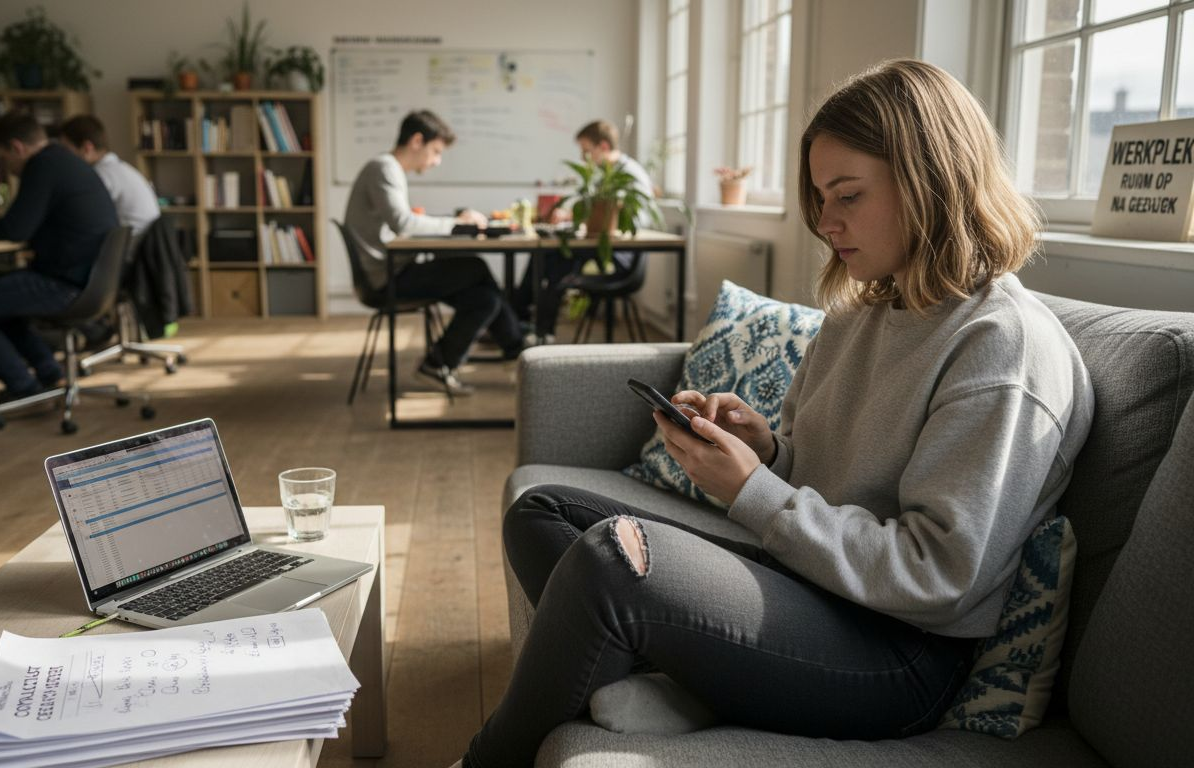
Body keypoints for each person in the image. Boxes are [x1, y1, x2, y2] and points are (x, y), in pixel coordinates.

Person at [455, 59, 1095, 768]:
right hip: (810, 586)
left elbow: (938, 576)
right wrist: (766, 452)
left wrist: (752, 489)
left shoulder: (1002, 347)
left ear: (932, 184)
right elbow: (828, 479)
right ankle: (694, 681)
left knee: (612, 561)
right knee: (542, 512)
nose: (825, 222)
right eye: (820, 197)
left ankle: (489, 761)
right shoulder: (861, 311)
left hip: (902, 655)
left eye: (848, 195)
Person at [344, 109, 525, 396]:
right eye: (436, 151)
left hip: (393, 270)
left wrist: (453, 221)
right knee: (475, 267)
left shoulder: (389, 169)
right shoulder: (384, 168)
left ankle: (438, 364)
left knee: (486, 299)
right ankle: (517, 347)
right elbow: (404, 223)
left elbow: (405, 222)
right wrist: (457, 224)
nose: (437, 160)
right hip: (385, 278)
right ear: (417, 141)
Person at [0, 111, 117, 401]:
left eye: (4, 158)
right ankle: (50, 373)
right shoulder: (62, 160)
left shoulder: (42, 166)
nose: (6, 167)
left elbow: (16, 230)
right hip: (90, 281)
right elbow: (26, 221)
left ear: (16, 147)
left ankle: (23, 387)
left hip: (64, 283)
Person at [513, 120, 655, 342]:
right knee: (544, 255)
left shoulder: (629, 174)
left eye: (586, 151)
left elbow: (640, 220)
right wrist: (573, 216)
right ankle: (522, 324)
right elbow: (596, 213)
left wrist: (605, 215)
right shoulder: (606, 175)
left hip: (622, 254)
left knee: (556, 260)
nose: (583, 157)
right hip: (600, 246)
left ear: (603, 147)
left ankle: (534, 329)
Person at [57, 114, 160, 236]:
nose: (63, 157)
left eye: (66, 150)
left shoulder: (102, 175)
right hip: (137, 239)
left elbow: (83, 214)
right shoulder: (117, 168)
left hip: (130, 242)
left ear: (87, 148)